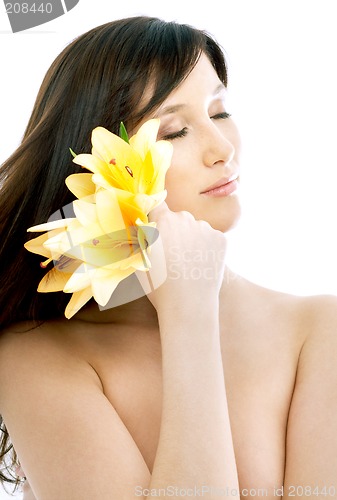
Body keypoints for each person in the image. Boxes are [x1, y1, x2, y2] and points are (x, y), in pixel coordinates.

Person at [0, 15, 336, 500]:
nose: (222, 149)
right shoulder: (38, 357)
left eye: (219, 112)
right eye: (174, 132)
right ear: (99, 171)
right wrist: (188, 315)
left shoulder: (319, 330)